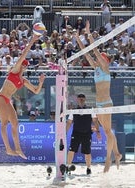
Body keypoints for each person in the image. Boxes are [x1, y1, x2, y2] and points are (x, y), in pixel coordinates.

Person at [76, 20, 122, 173]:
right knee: (108, 131)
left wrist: (88, 34)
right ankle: (118, 154)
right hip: (99, 104)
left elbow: (94, 50)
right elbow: (86, 53)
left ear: (106, 60)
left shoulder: (106, 68)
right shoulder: (96, 68)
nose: (99, 58)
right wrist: (78, 40)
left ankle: (108, 159)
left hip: (107, 103)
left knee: (108, 132)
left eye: (102, 57)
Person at [0, 34, 45, 159]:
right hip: (0, 97)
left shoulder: (24, 80)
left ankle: (17, 149)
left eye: (25, 65)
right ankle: (8, 149)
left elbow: (36, 91)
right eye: (23, 64)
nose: (24, 65)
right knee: (4, 123)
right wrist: (32, 41)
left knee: (15, 123)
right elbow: (24, 54)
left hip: (7, 99)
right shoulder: (15, 71)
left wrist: (41, 82)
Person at [66, 93, 100, 175]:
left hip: (87, 133)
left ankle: (88, 168)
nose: (81, 99)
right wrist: (64, 132)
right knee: (71, 150)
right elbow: (69, 122)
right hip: (76, 133)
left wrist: (98, 132)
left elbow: (95, 120)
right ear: (77, 99)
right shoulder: (73, 110)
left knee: (87, 152)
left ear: (85, 99)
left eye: (82, 97)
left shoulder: (90, 109)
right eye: (79, 97)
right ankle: (68, 167)